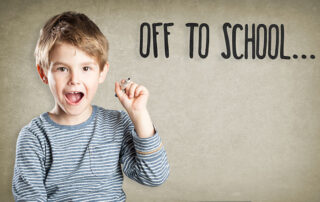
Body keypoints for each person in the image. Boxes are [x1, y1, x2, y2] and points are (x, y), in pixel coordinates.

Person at [12, 11, 169, 201]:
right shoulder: (34, 137)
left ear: (102, 72)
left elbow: (154, 176)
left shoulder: (117, 124)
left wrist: (139, 114)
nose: (75, 80)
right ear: (44, 73)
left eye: (86, 68)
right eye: (62, 69)